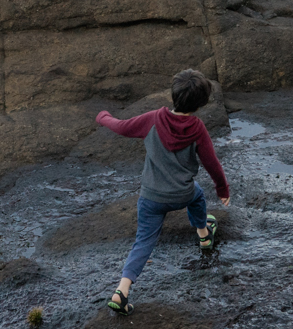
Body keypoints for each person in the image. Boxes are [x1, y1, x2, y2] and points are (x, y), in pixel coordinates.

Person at [95, 69, 230, 315]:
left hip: (151, 198)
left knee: (144, 241)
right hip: (182, 193)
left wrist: (103, 116)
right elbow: (212, 163)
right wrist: (222, 189)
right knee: (198, 196)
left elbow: (122, 127)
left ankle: (121, 291)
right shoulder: (197, 129)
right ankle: (203, 235)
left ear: (173, 95)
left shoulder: (154, 119)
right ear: (200, 104)